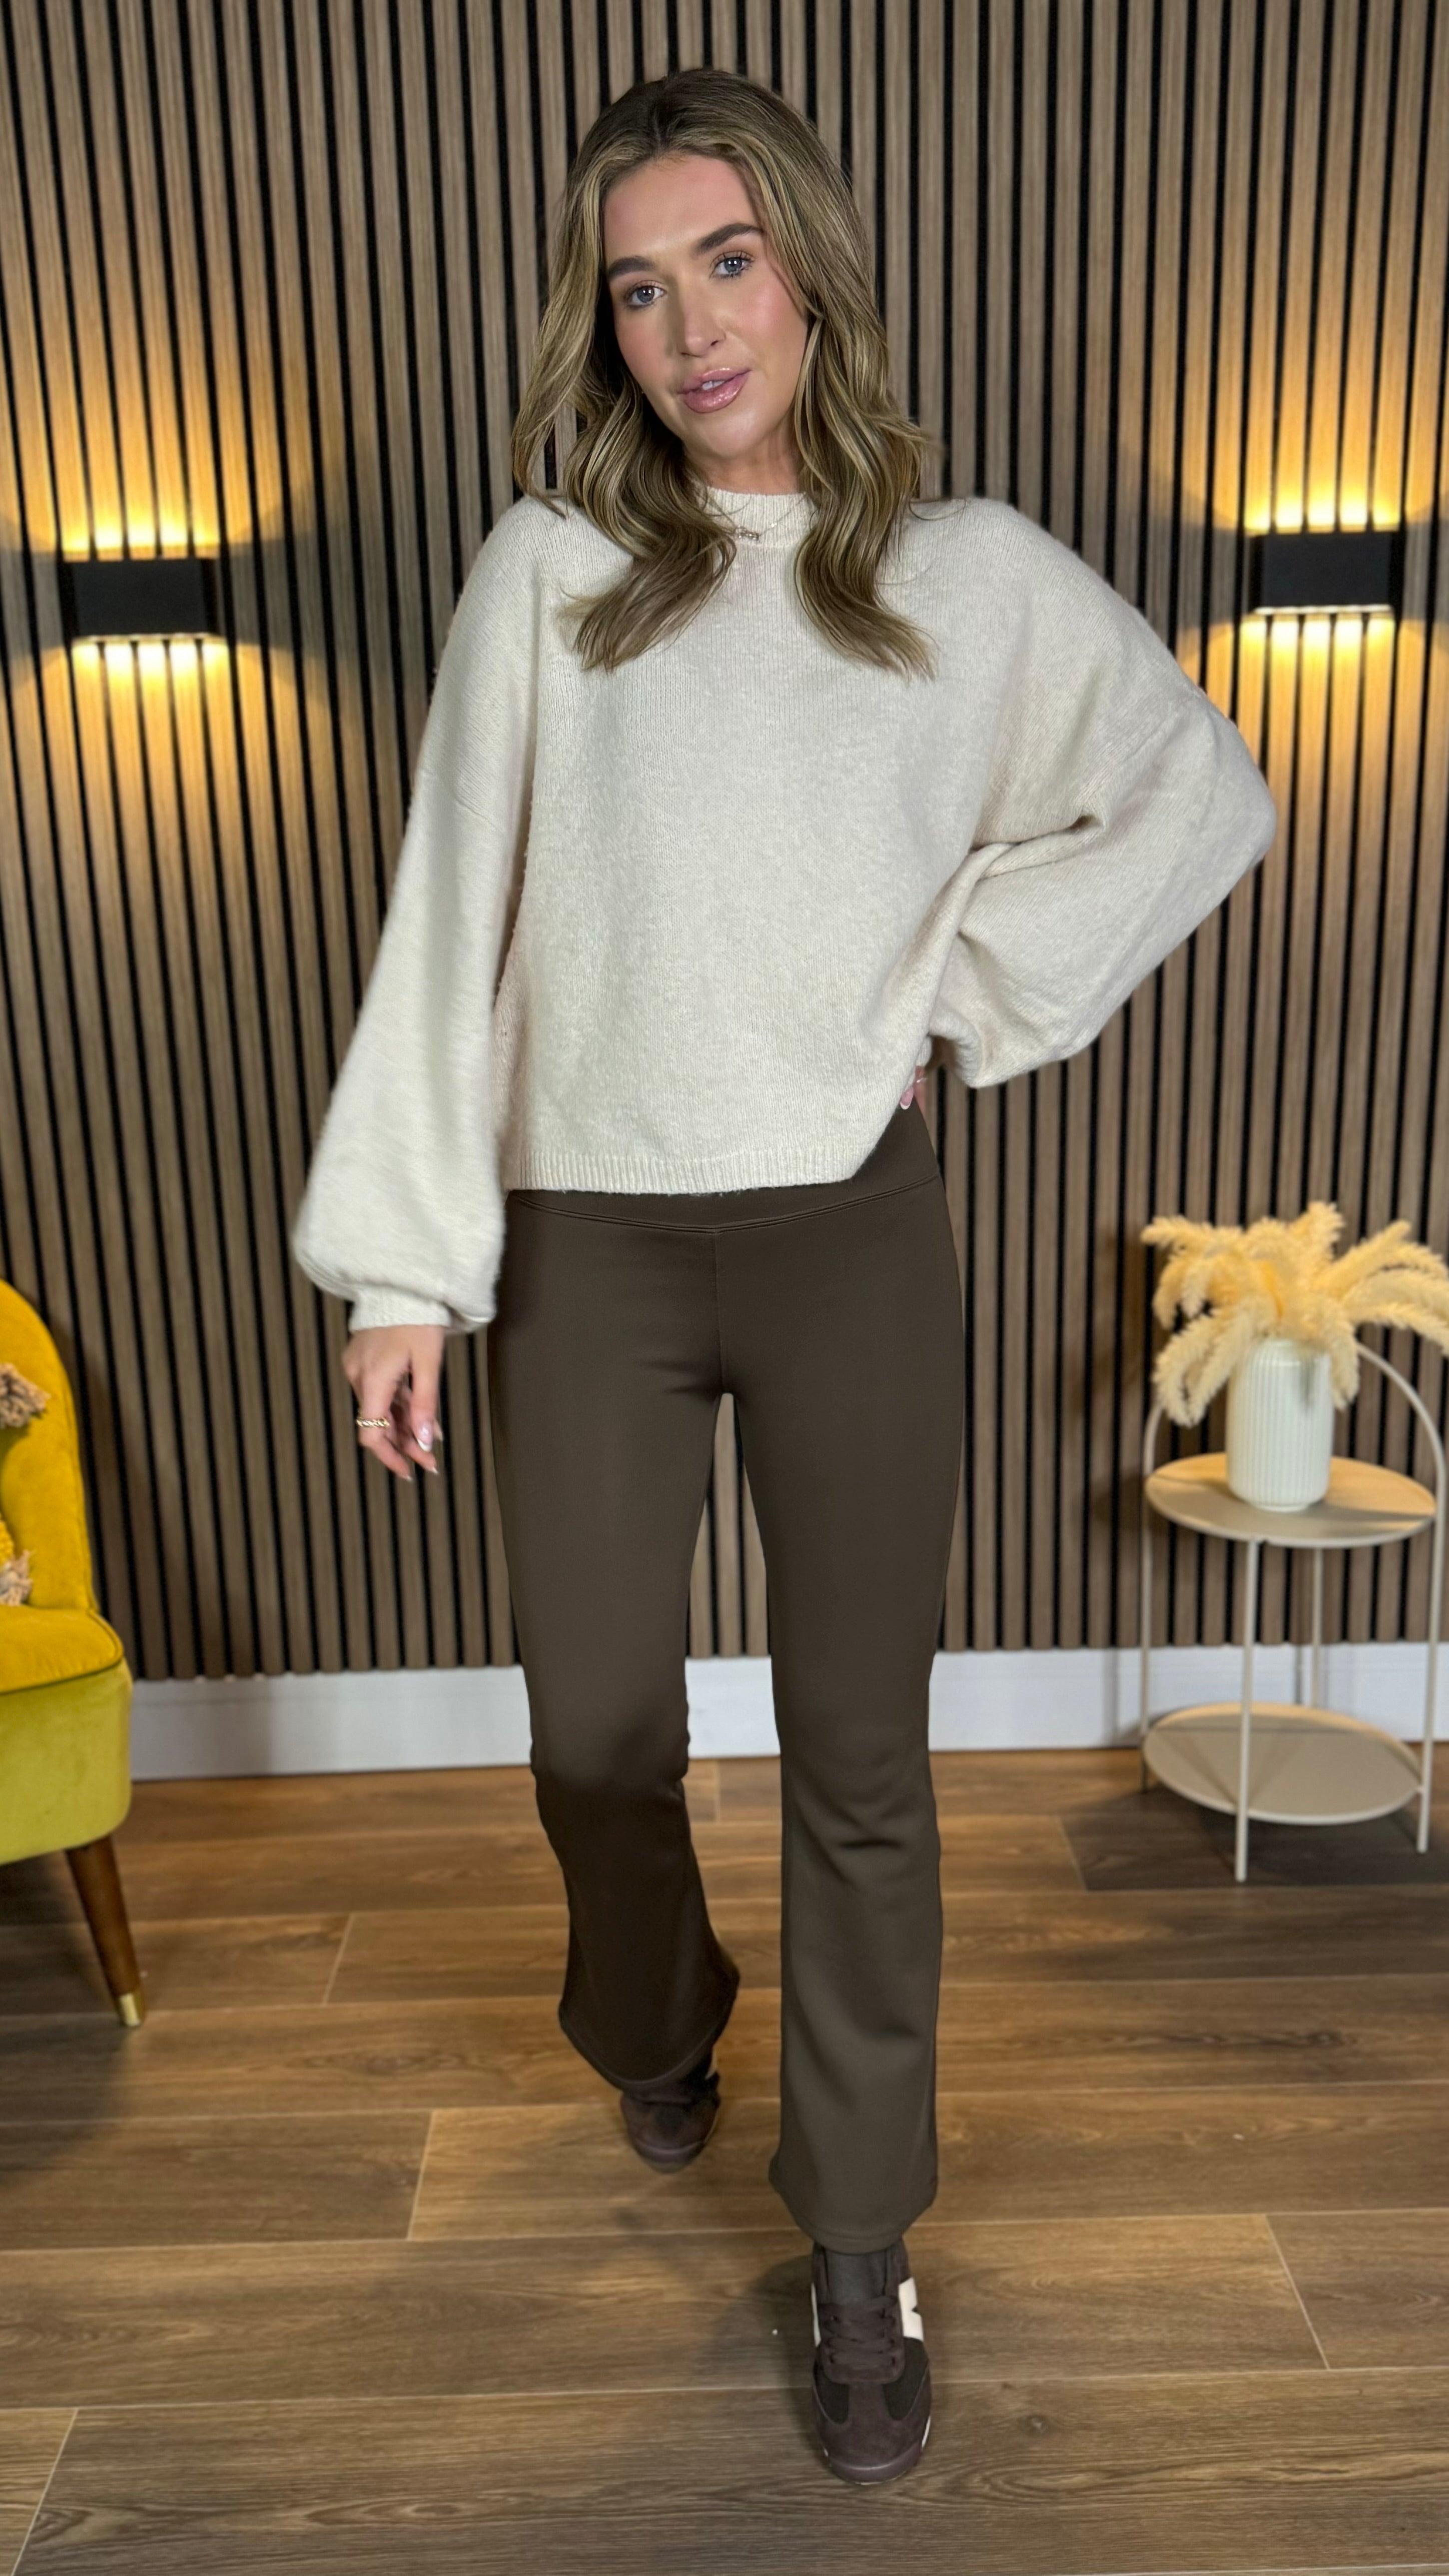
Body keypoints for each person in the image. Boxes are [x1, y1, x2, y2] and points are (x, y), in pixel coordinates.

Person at [291, 66, 1277, 2485]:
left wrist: (954, 983)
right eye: (638, 288)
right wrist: (402, 1269)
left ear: (810, 270)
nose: (689, 326)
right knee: (593, 1731)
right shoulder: (550, 579)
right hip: (588, 1243)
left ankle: (857, 2240)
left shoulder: (969, 578)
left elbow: (1200, 789)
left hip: (847, 1234)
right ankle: (658, 2018)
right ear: (604, 326)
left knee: (859, 1757)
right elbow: (450, 925)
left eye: (724, 263)